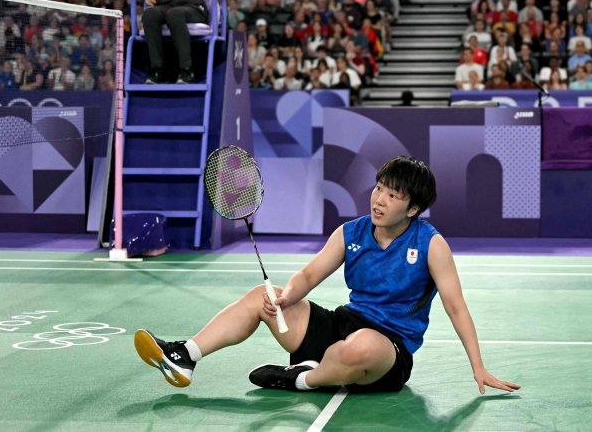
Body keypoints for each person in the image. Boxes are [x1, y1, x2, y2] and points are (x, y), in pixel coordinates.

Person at [134, 158, 520, 395]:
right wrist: (285, 297)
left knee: (361, 348)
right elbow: (310, 273)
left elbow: (456, 307)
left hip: (387, 350)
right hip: (341, 326)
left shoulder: (431, 244)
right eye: (379, 188)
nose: (379, 199)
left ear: (414, 207)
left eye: (393, 195)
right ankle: (186, 355)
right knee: (261, 296)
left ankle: (302, 379)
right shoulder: (351, 232)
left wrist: (478, 366)